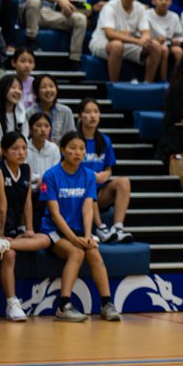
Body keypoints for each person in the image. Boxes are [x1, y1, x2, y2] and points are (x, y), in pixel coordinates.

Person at [38, 131, 121, 322]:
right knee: (77, 252)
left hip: (78, 231)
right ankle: (63, 306)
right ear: (62, 150)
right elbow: (55, 213)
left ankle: (107, 304)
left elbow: (87, 209)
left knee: (93, 250)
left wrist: (87, 235)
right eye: (72, 148)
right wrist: (74, 239)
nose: (77, 152)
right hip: (54, 231)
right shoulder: (51, 176)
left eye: (82, 148)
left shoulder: (88, 176)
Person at [0, 130, 51, 321]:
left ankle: (3, 244)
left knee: (43, 239)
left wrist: (29, 229)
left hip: (12, 229)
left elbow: (27, 202)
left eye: (24, 148)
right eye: (15, 148)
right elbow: (2, 207)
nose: (21, 152)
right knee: (10, 255)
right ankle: (12, 303)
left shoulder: (26, 169)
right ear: (4, 151)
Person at [75, 98, 133, 243]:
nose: (92, 116)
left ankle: (118, 227)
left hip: (100, 192)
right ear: (80, 116)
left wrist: (105, 175)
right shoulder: (74, 139)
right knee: (90, 184)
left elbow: (109, 168)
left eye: (96, 112)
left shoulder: (104, 140)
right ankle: (101, 228)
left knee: (124, 182)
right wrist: (90, 175)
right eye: (88, 112)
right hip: (78, 193)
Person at [90, 0, 162, 83]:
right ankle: (113, 85)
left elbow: (145, 32)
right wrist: (138, 41)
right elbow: (110, 34)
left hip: (128, 44)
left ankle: (148, 84)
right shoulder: (110, 6)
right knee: (117, 45)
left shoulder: (140, 8)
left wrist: (145, 39)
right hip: (102, 43)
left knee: (155, 46)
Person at [144, 0, 183, 81]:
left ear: (171, 2)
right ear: (153, 1)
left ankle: (176, 79)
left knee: (179, 51)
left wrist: (176, 40)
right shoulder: (146, 14)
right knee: (164, 49)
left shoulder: (174, 16)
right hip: (152, 45)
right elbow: (142, 35)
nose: (164, 2)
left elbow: (180, 36)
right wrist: (154, 40)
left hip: (169, 43)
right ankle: (163, 79)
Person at [29, 74, 76, 142]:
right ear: (36, 91)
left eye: (51, 86)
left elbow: (72, 137)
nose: (48, 90)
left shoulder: (66, 111)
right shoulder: (29, 113)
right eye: (43, 87)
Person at [25, 112, 59, 186]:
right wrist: (41, 178)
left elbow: (56, 172)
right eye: (38, 126)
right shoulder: (24, 148)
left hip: (49, 187)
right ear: (30, 129)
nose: (43, 129)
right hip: (28, 187)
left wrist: (44, 179)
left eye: (46, 126)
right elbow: (23, 173)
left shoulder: (54, 148)